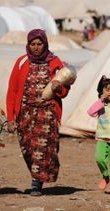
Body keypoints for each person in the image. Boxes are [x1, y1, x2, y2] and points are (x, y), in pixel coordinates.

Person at [6, 29, 71, 196]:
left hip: (47, 112)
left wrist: (59, 88)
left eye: (39, 44)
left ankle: (36, 183)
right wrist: (11, 117)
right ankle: (37, 175)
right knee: (27, 147)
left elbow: (65, 88)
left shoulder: (55, 61)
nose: (35, 47)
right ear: (28, 45)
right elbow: (12, 91)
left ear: (45, 44)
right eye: (32, 44)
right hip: (25, 112)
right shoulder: (21, 62)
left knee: (42, 148)